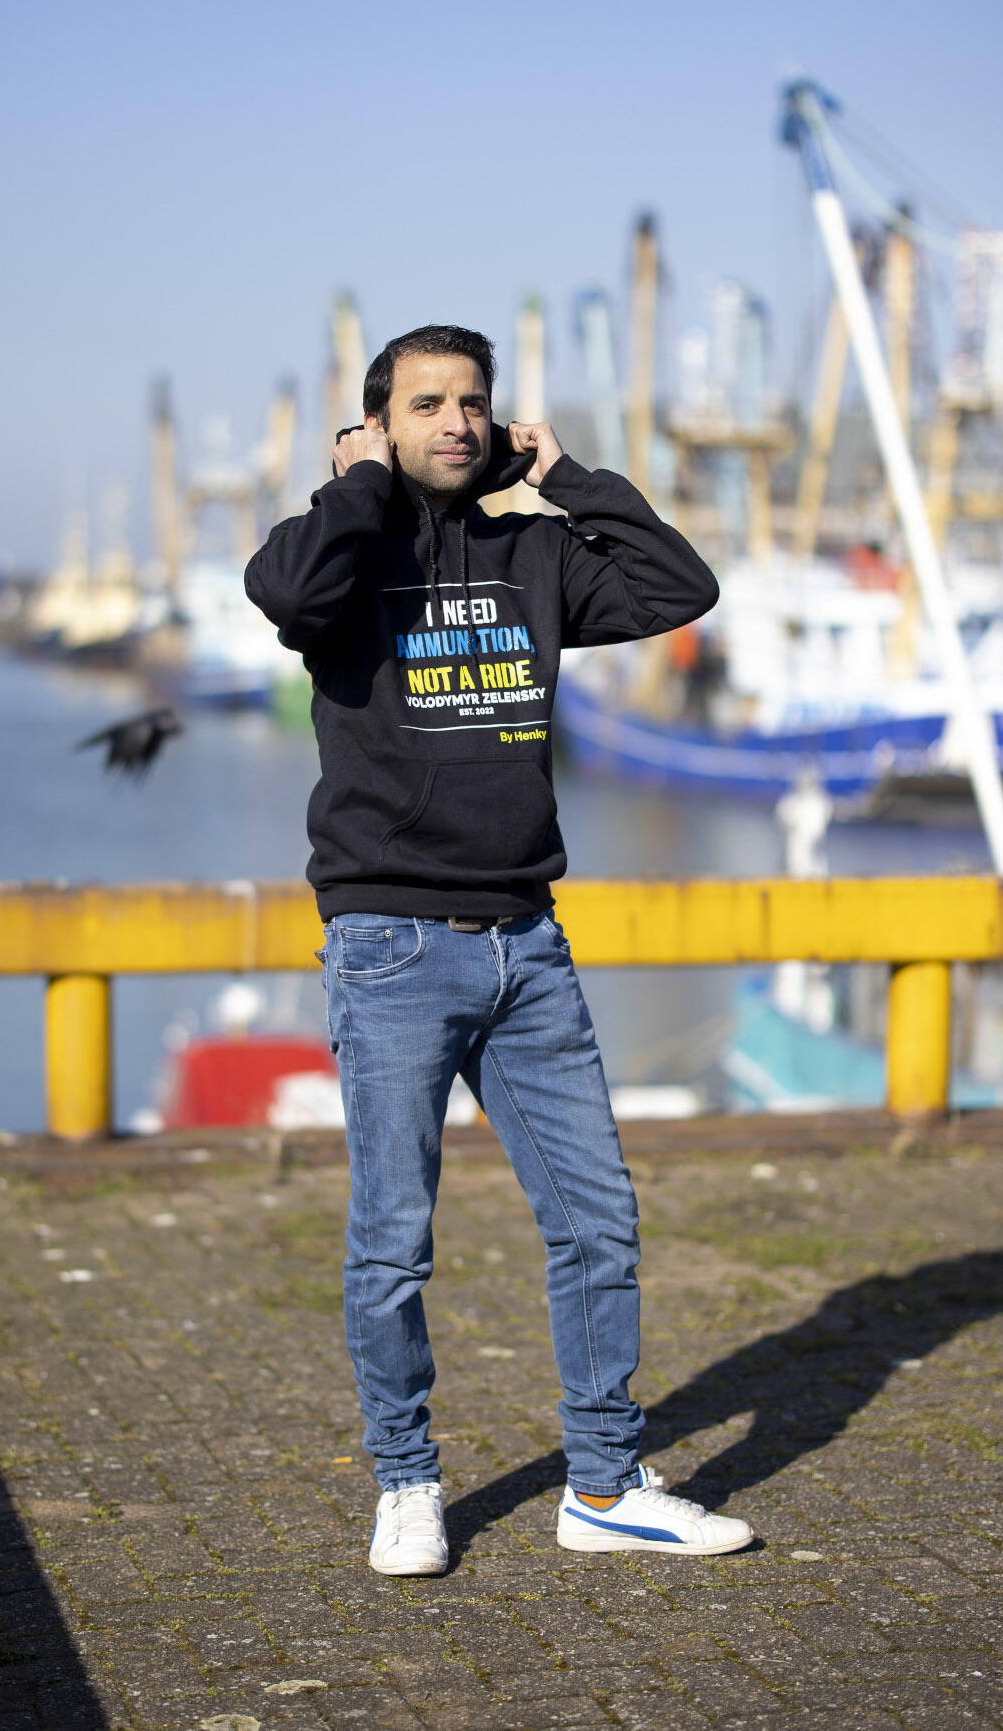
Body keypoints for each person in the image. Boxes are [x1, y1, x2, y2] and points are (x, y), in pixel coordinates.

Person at [244, 324, 752, 1572]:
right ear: (379, 424)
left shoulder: (532, 552)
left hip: (528, 940)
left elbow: (678, 590)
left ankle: (602, 1483)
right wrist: (357, 484)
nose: (456, 423)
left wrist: (567, 476)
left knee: (596, 1220)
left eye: (474, 403)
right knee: (393, 1240)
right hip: (392, 945)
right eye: (427, 405)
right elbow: (284, 597)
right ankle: (406, 1482)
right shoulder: (343, 551)